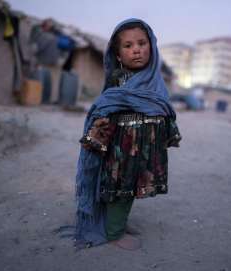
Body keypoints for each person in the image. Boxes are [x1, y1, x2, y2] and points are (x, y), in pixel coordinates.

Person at [74, 18, 181, 250]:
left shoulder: (156, 82)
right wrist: (96, 140)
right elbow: (107, 109)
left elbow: (164, 109)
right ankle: (114, 233)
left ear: (152, 46)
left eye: (142, 43)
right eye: (128, 46)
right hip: (122, 152)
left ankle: (118, 223)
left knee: (131, 189)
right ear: (119, 56)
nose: (137, 50)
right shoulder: (119, 80)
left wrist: (169, 134)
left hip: (144, 149)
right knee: (120, 190)